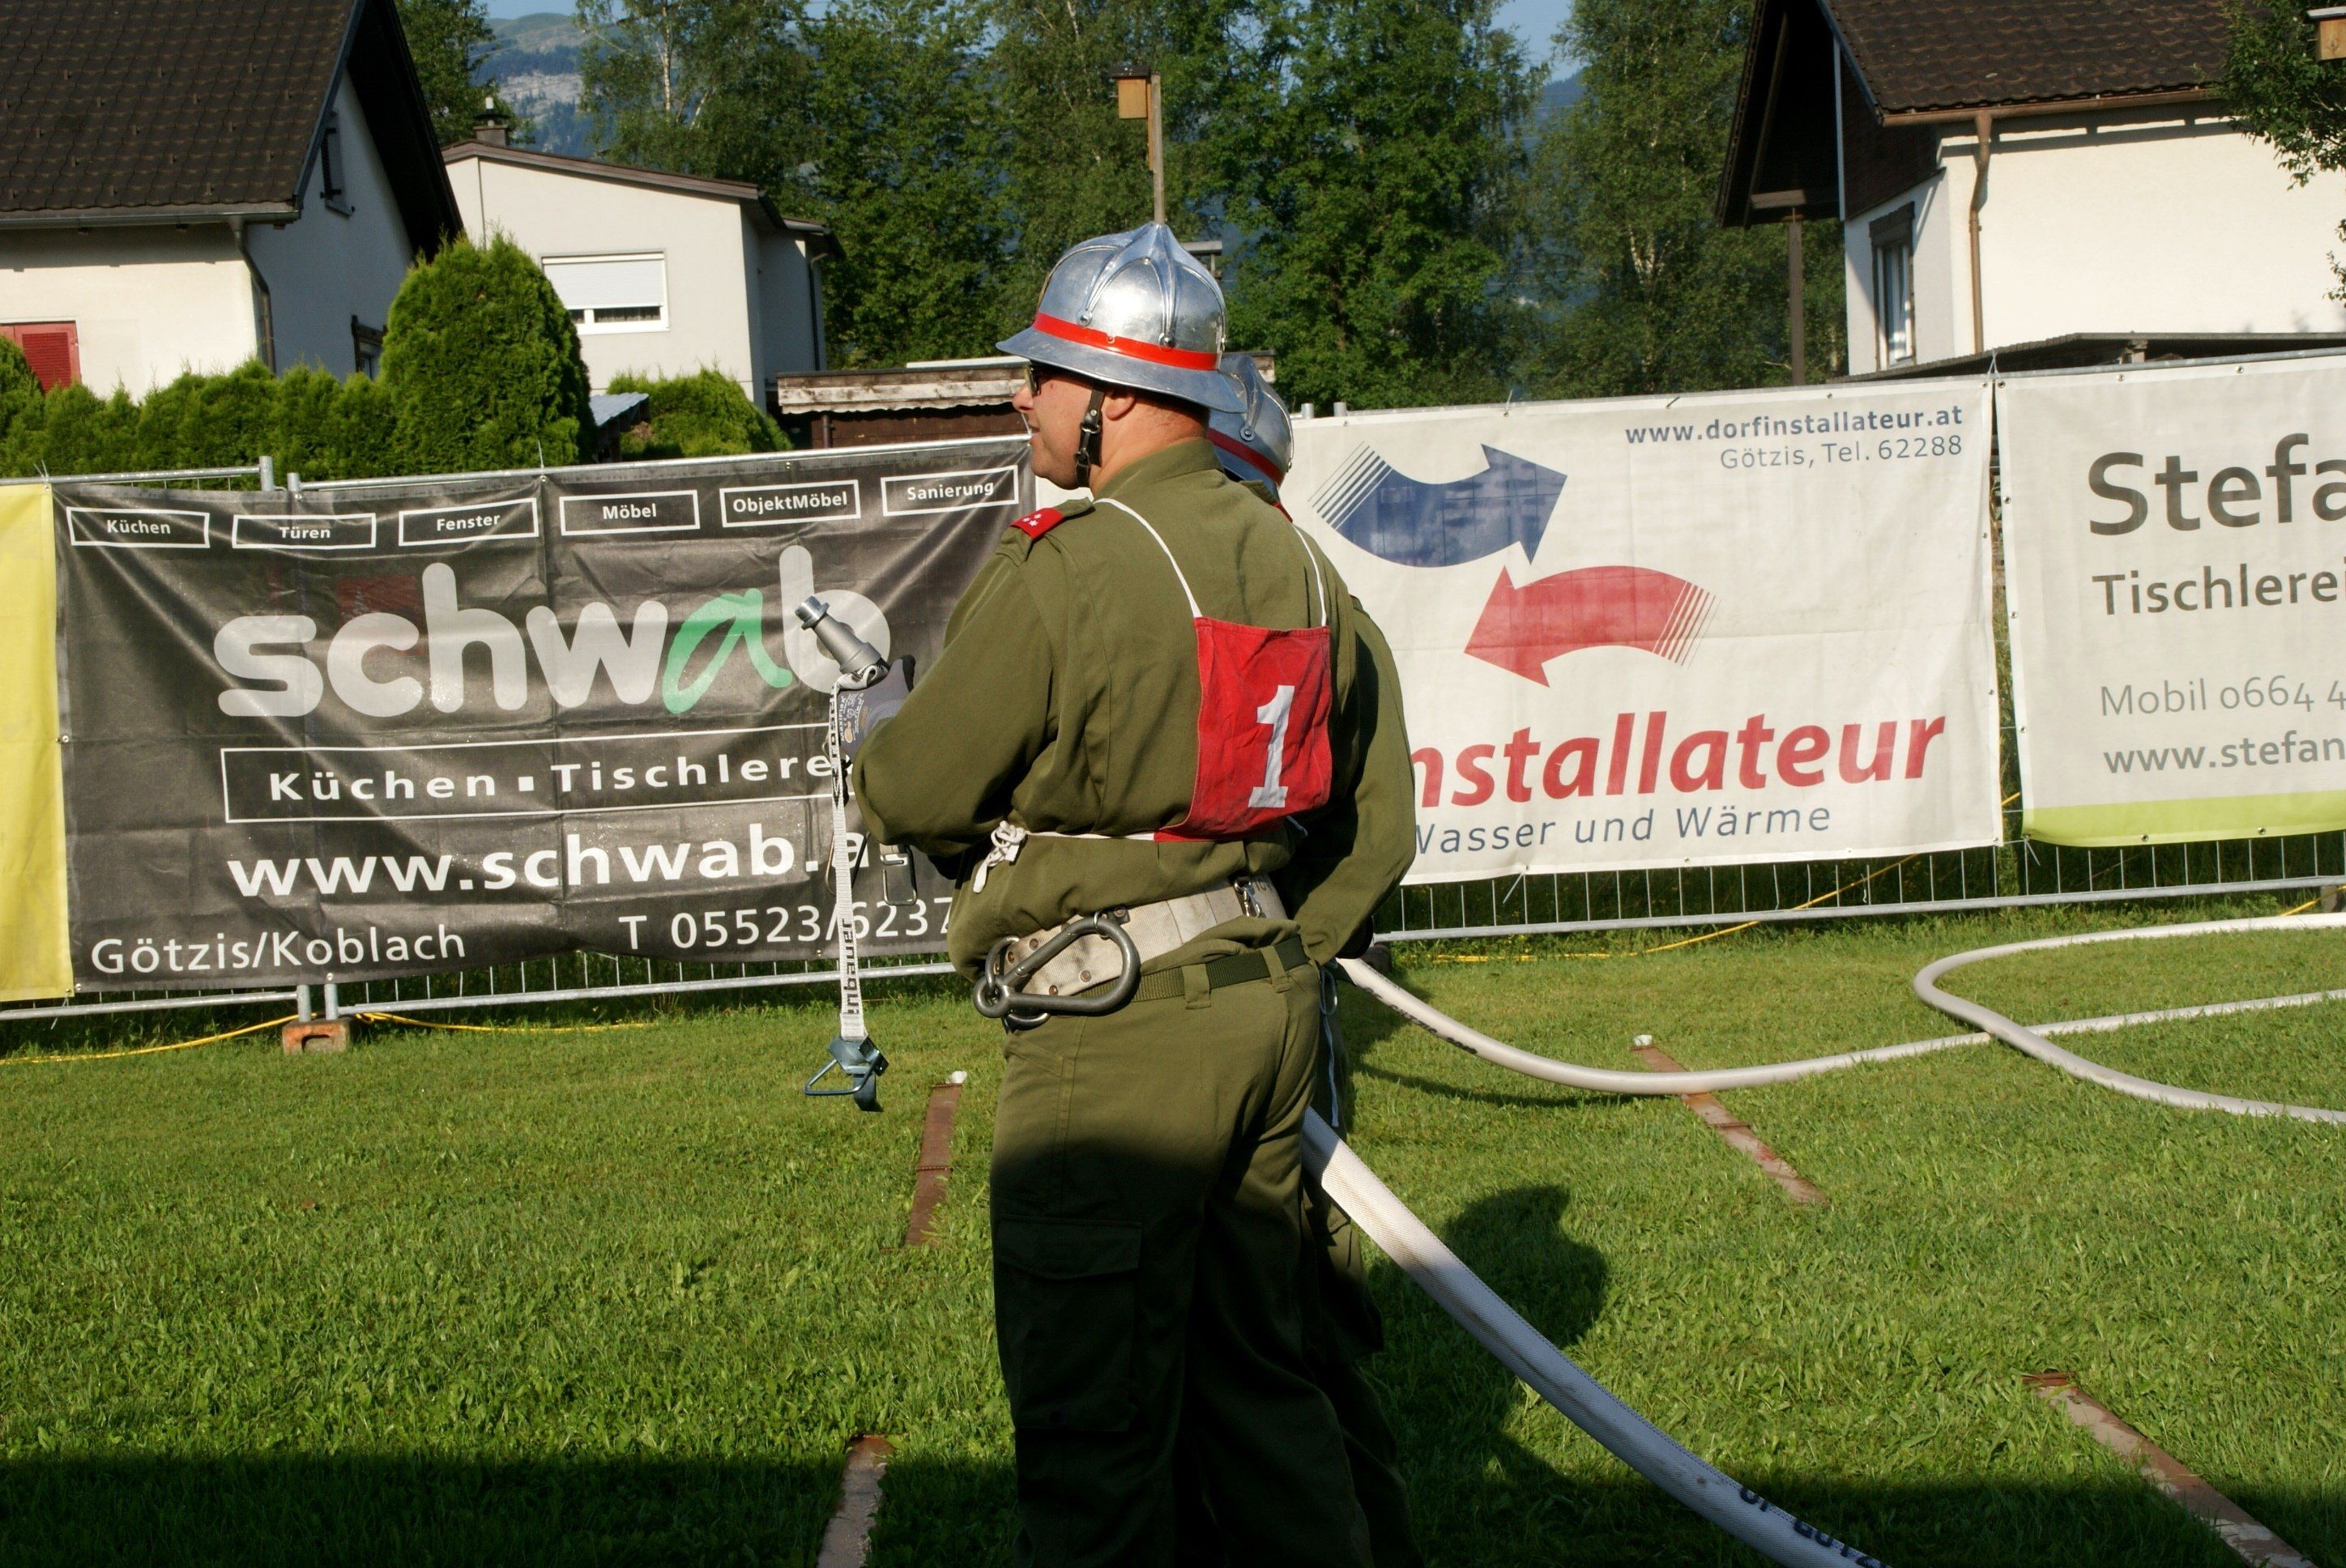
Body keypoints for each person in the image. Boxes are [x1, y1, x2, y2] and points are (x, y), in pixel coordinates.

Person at [850, 223, 1414, 1568]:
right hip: (1269, 1008)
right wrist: (1289, 945)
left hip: (1116, 1039)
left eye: (1043, 375)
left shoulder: (1077, 563)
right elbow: (1363, 805)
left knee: (1094, 1429)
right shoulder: (1298, 562)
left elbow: (914, 788)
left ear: (1109, 396)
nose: (1023, 399)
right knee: (1262, 1394)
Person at [1179, 352, 1425, 1568]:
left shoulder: (1318, 607)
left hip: (1263, 1009)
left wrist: (1288, 951)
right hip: (1163, 1017)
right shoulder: (1152, 586)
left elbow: (1379, 832)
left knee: (1291, 1308)